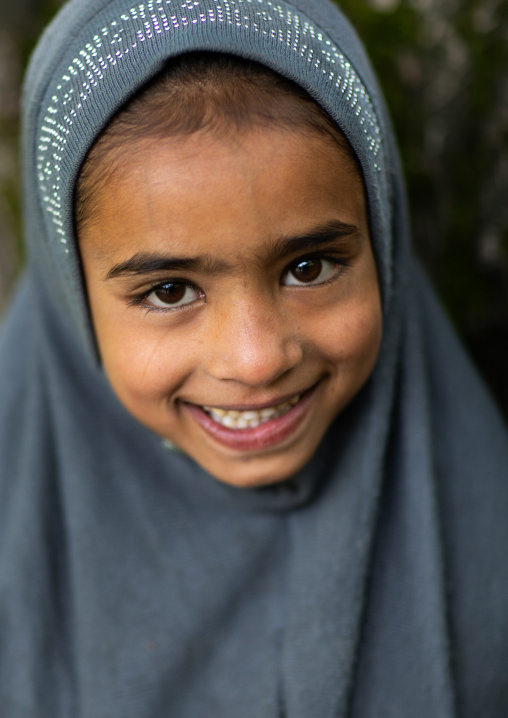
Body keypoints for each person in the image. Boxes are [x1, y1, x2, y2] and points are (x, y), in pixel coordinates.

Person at [1, 0, 507, 715]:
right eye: (170, 289)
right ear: (67, 287)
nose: (258, 358)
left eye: (310, 268)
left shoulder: (484, 545)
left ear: (382, 240)